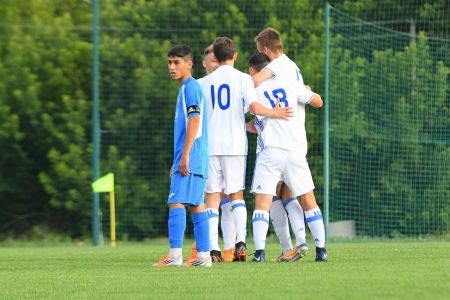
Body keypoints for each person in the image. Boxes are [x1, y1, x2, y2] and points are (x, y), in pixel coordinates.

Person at [198, 37, 293, 262]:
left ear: (215, 57)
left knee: (211, 196)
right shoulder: (243, 79)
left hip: (210, 146)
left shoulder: (202, 83)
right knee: (235, 194)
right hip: (235, 145)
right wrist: (275, 112)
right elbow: (253, 107)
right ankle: (241, 242)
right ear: (235, 56)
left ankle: (213, 249)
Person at [253, 28, 328, 262]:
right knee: (307, 199)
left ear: (265, 50)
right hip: (296, 149)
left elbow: (253, 100)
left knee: (264, 201)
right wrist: (308, 91)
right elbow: (318, 101)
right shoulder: (295, 81)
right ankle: (321, 250)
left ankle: (260, 253)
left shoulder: (264, 83)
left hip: (272, 149)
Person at [153, 45, 211, 268]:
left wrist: (184, 155)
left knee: (175, 201)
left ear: (189, 64)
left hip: (192, 155)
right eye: (169, 62)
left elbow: (194, 122)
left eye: (176, 63)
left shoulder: (191, 88)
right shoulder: (187, 88)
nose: (171, 67)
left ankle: (175, 255)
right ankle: (203, 256)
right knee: (197, 204)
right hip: (195, 156)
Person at [189, 45, 236, 262]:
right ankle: (212, 247)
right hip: (208, 149)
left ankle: (229, 248)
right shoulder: (199, 86)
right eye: (211, 60)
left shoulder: (229, 81)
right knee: (213, 197)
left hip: (230, 148)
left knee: (228, 196)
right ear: (204, 63)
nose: (214, 64)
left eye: (217, 60)